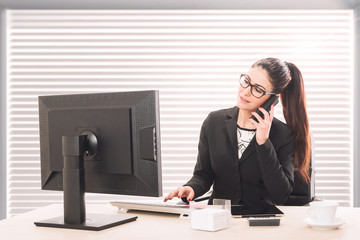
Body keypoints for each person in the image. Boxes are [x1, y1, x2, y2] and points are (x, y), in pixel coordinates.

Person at [164, 57, 311, 206]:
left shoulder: (282, 134)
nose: (246, 92)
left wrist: (263, 142)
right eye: (246, 81)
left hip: (259, 222)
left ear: (273, 99)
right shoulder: (214, 122)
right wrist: (191, 187)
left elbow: (280, 195)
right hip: (218, 219)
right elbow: (203, 174)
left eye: (258, 90)